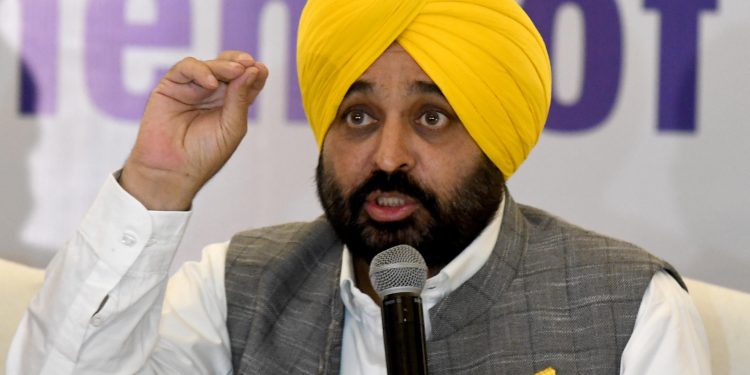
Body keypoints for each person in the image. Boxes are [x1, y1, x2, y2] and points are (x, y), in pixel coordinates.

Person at [7, 0, 710, 374]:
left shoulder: (630, 313)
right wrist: (156, 182)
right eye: (359, 115)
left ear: (498, 136)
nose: (388, 155)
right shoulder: (239, 290)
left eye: (432, 117)